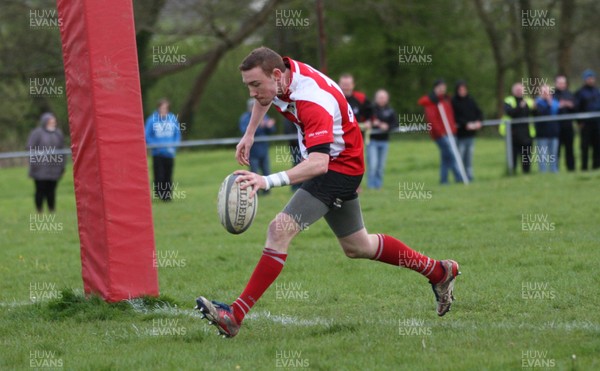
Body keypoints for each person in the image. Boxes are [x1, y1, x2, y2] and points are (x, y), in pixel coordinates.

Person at [195, 47, 460, 338]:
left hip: (337, 167)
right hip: (337, 162)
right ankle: (439, 271)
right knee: (358, 246)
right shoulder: (280, 76)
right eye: (248, 86)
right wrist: (250, 133)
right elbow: (265, 97)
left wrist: (266, 181)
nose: (252, 93)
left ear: (276, 75)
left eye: (255, 85)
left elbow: (319, 164)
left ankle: (235, 314)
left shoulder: (312, 101)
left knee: (278, 230)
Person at [418, 79, 464, 184]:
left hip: (450, 132)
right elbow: (432, 119)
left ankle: (443, 180)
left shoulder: (446, 100)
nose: (442, 90)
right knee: (451, 155)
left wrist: (452, 129)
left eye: (444, 87)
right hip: (441, 135)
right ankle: (459, 178)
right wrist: (440, 132)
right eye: (440, 87)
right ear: (435, 88)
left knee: (446, 157)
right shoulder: (432, 101)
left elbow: (450, 116)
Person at [27, 112, 66, 213]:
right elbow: (30, 148)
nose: (53, 123)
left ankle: (51, 210)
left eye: (54, 121)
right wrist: (34, 164)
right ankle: (39, 210)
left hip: (54, 169)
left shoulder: (58, 133)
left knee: (51, 191)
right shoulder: (37, 133)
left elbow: (62, 151)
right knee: (40, 190)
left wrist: (62, 166)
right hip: (40, 169)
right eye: (50, 121)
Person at [145, 98, 181, 201]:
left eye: (165, 108)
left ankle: (167, 196)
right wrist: (156, 145)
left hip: (169, 153)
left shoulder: (172, 118)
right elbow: (147, 135)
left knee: (168, 175)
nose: (164, 110)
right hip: (157, 153)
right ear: (158, 108)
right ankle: (160, 194)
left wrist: (174, 146)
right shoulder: (152, 120)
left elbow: (177, 134)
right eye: (162, 108)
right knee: (159, 175)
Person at [239, 98, 276, 195]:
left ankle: (267, 191)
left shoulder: (263, 116)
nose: (253, 108)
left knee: (266, 171)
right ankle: (254, 192)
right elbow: (245, 131)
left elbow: (271, 130)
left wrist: (269, 126)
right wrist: (260, 126)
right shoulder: (245, 118)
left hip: (263, 149)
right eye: (252, 106)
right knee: (253, 172)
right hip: (252, 150)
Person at [500, 83, 536, 174]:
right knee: (513, 156)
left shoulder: (529, 101)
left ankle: (527, 172)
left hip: (527, 134)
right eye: (517, 90)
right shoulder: (508, 100)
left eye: (521, 90)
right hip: (513, 134)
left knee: (526, 156)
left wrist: (536, 108)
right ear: (513, 91)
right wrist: (520, 107)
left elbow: (536, 113)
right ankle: (512, 172)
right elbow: (510, 113)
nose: (519, 92)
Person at [451, 81, 483, 181]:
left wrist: (479, 121)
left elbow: (479, 112)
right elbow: (455, 117)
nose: (462, 91)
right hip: (460, 136)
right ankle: (460, 177)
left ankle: (469, 176)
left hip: (471, 135)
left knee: (469, 158)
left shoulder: (470, 100)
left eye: (464, 89)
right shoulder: (454, 102)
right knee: (460, 157)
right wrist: (466, 124)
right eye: (460, 89)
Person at [366, 89, 398, 189]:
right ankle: (371, 186)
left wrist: (387, 126)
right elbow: (365, 121)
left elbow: (395, 124)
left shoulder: (390, 111)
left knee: (380, 166)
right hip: (372, 141)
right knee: (373, 165)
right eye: (380, 97)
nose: (382, 99)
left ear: (387, 99)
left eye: (384, 97)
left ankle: (378, 186)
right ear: (376, 98)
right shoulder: (370, 110)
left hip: (384, 142)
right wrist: (374, 124)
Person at [575, 69, 600, 170]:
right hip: (586, 124)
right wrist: (579, 122)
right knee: (585, 147)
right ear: (585, 80)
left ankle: (596, 166)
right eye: (589, 78)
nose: (591, 80)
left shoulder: (597, 91)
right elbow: (577, 108)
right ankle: (584, 167)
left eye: (592, 78)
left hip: (597, 123)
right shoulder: (580, 93)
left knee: (597, 146)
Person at [534, 85, 560, 173]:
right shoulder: (537, 103)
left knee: (554, 153)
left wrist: (550, 103)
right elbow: (542, 113)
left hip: (553, 132)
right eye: (543, 92)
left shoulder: (555, 103)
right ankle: (543, 171)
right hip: (542, 133)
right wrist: (548, 104)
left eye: (547, 92)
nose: (545, 94)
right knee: (542, 154)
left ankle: (554, 170)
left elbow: (556, 112)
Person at [554, 75, 576, 171]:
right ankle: (555, 168)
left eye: (563, 83)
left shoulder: (570, 94)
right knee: (556, 150)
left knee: (569, 149)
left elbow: (575, 107)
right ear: (556, 83)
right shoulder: (552, 95)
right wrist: (559, 105)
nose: (561, 85)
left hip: (568, 126)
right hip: (556, 126)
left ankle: (571, 168)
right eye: (559, 83)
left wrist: (570, 105)